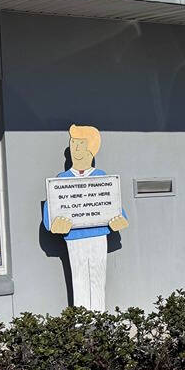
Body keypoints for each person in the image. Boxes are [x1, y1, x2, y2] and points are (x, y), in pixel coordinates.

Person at [43, 125, 127, 310]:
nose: (76, 149)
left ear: (91, 149)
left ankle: (99, 319)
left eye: (81, 144)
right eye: (73, 144)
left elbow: (116, 208)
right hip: (74, 239)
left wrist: (118, 220)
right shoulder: (61, 180)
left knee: (98, 277)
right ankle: (81, 323)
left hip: (98, 237)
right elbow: (50, 213)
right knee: (79, 278)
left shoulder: (101, 177)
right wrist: (53, 224)